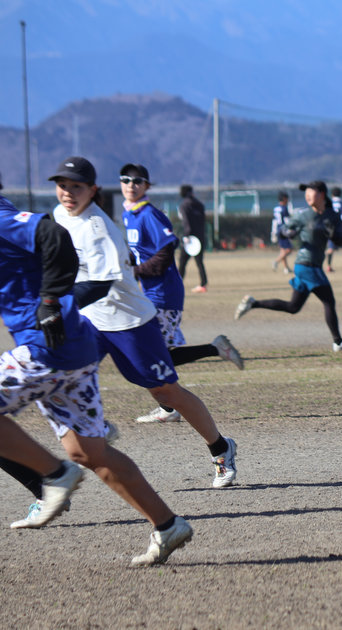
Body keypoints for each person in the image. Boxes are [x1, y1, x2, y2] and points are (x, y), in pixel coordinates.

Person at [0, 180, 192, 565]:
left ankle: (53, 476)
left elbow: (53, 234)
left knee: (75, 460)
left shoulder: (3, 218)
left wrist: (51, 299)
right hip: (78, 350)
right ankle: (167, 524)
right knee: (89, 452)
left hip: (48, 349)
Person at [46, 156, 238, 489]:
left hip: (129, 321)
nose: (67, 192)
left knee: (166, 392)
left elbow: (100, 285)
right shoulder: (60, 214)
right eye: (62, 185)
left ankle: (221, 447)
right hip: (91, 320)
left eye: (76, 186)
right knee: (61, 375)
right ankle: (97, 427)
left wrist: (55, 304)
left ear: (92, 190)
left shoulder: (98, 228)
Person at [119, 163, 244, 425]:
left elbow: (165, 254)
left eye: (137, 180)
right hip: (149, 294)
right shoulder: (129, 214)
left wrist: (135, 272)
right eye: (126, 179)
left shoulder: (149, 215)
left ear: (147, 185)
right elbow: (139, 252)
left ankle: (171, 405)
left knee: (151, 357)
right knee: (154, 356)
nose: (131, 185)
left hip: (164, 295)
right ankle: (212, 352)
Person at [235, 180, 342, 353]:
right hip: (307, 265)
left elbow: (340, 241)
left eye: (311, 191)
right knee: (328, 301)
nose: (307, 195)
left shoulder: (332, 216)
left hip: (310, 265)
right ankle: (338, 342)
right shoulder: (303, 215)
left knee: (293, 307)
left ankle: (253, 303)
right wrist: (289, 233)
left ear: (322, 194)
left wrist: (333, 235)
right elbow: (282, 230)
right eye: (306, 192)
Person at [177, 184, 209, 292]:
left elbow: (186, 222)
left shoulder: (184, 205)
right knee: (199, 262)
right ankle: (203, 284)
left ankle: (178, 283)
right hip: (200, 236)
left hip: (190, 239)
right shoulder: (199, 204)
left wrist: (186, 235)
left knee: (182, 261)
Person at [271, 191, 294, 274]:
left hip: (278, 230)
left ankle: (286, 268)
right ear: (284, 199)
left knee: (283, 250)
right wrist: (290, 230)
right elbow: (287, 220)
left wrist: (273, 232)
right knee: (289, 249)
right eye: (287, 199)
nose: (287, 200)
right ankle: (276, 261)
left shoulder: (275, 208)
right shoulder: (284, 208)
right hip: (283, 230)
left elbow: (274, 221)